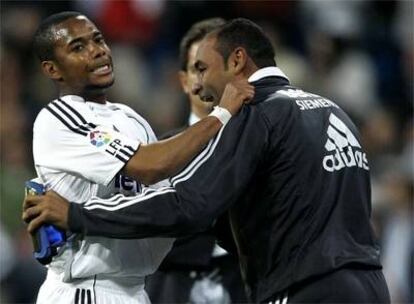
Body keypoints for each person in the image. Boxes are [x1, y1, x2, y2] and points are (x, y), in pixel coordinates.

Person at [23, 18, 391, 303]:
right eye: (79, 46)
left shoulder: (251, 114)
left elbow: (185, 199)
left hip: (302, 286)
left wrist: (76, 214)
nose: (198, 85)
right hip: (369, 281)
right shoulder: (333, 110)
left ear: (237, 61)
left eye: (203, 68)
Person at [25, 12, 253, 304]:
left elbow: (166, 198)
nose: (97, 50)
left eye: (98, 39)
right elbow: (151, 166)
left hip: (134, 290)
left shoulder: (131, 119)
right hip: (85, 289)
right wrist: (222, 114)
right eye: (78, 47)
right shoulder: (58, 117)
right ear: (53, 69)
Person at [145, 18, 247, 304]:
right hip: (173, 293)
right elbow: (153, 238)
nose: (205, 80)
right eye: (197, 69)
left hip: (246, 290)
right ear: (183, 80)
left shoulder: (261, 144)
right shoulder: (160, 153)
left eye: (213, 67)